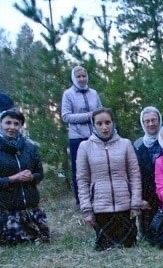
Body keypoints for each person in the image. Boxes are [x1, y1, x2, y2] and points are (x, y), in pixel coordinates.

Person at [76, 108, 141, 251]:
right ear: (93, 125)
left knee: (128, 247)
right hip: (100, 208)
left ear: (113, 123)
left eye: (107, 122)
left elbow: (135, 175)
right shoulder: (85, 147)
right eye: (99, 123)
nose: (104, 127)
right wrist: (87, 209)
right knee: (105, 248)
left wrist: (135, 203)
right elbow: (82, 180)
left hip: (125, 207)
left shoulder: (125, 144)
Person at [0, 109, 50, 244]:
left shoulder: (30, 148)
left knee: (43, 237)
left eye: (16, 124)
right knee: (16, 241)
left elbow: (40, 173)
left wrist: (32, 177)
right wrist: (13, 179)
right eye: (8, 123)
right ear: (1, 124)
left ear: (21, 126)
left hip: (31, 206)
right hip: (6, 208)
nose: (12, 127)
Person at [61, 65, 103, 205]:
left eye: (83, 76)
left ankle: (98, 196)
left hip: (95, 136)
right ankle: (81, 200)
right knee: (80, 169)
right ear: (73, 78)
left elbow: (100, 112)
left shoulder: (94, 93)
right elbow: (66, 117)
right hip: (77, 137)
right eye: (78, 76)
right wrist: (88, 116)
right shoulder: (68, 94)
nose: (81, 79)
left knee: (98, 166)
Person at [133, 106, 163, 241]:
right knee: (148, 235)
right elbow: (134, 173)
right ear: (143, 123)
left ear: (159, 120)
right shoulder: (137, 145)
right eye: (147, 121)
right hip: (146, 192)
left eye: (154, 120)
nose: (151, 124)